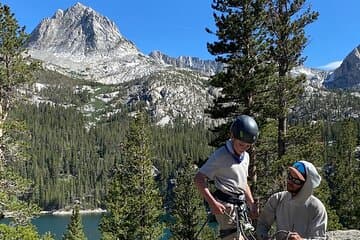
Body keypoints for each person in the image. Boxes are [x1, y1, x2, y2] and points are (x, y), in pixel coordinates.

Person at [194, 115, 259, 240]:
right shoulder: (220, 155)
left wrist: (251, 204)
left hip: (240, 206)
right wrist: (213, 203)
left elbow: (243, 182)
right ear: (232, 137)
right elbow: (199, 178)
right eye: (241, 144)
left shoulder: (245, 156)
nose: (244, 148)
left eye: (248, 146)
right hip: (226, 207)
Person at [256, 160, 328, 240]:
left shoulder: (316, 208)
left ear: (306, 185)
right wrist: (264, 237)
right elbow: (262, 224)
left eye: (296, 181)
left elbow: (319, 238)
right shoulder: (277, 199)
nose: (290, 182)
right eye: (290, 177)